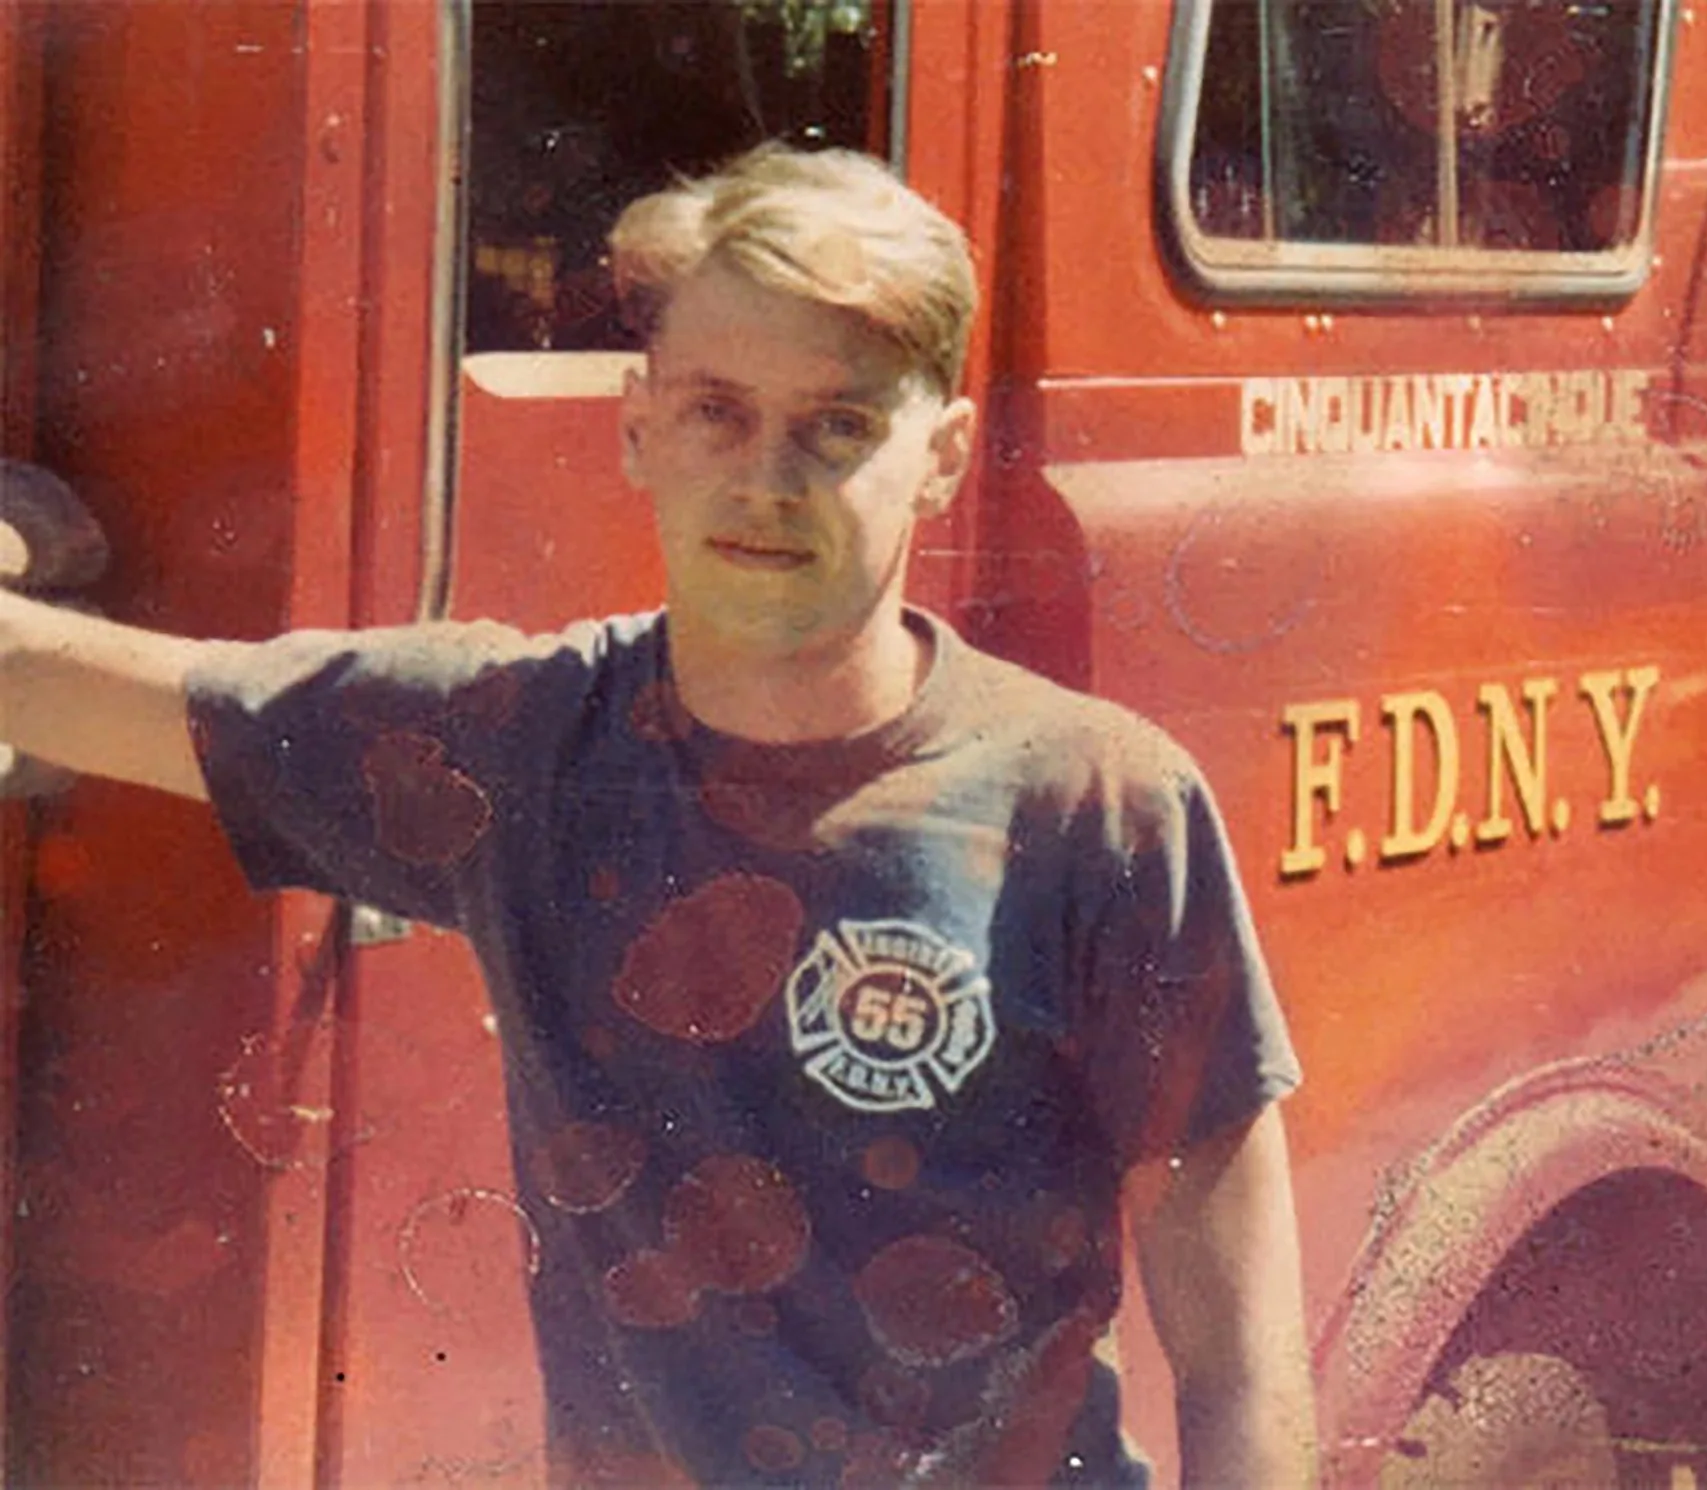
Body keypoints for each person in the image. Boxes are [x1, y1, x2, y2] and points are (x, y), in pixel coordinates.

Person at [0, 144, 1313, 1487]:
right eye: (716, 413)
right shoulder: (526, 745)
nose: (768, 478)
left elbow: (1244, 1356)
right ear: (637, 429)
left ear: (944, 456)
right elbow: (98, 694)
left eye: (840, 423)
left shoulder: (1100, 805)